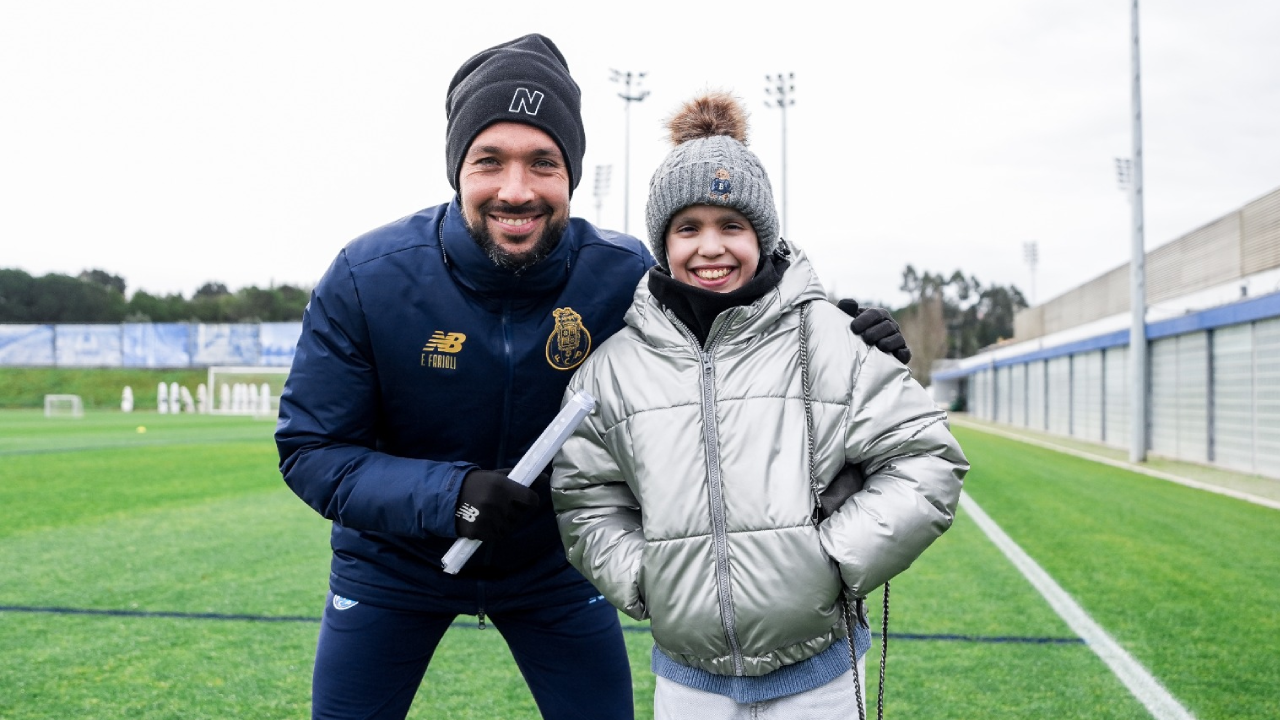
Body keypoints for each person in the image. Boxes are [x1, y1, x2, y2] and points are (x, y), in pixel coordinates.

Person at [276, 35, 911, 720]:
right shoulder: (369, 276)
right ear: (457, 168)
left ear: (571, 176)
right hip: (392, 567)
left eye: (542, 163)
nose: (515, 190)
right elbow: (312, 451)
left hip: (552, 569)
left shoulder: (623, 273)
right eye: (490, 161)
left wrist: (836, 337)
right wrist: (448, 496)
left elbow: (732, 325)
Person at [550, 92, 969, 719]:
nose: (710, 247)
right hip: (687, 686)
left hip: (821, 681)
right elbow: (584, 498)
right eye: (688, 228)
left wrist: (831, 561)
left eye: (732, 226)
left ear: (762, 236)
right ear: (663, 243)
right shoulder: (613, 366)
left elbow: (927, 462)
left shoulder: (833, 339)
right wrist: (643, 578)